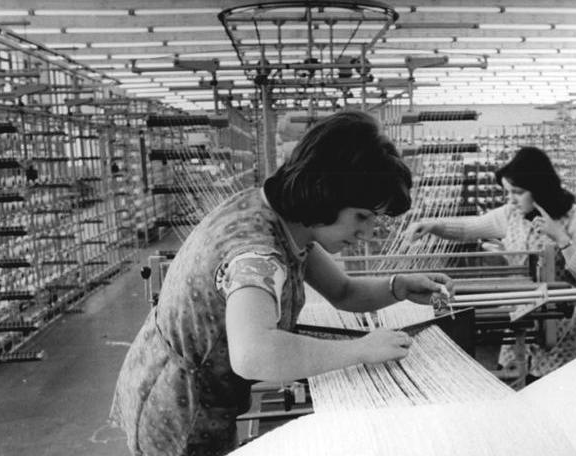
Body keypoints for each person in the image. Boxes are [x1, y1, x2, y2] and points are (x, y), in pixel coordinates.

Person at [110, 110, 453, 456]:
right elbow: (253, 354)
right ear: (326, 193)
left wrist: (398, 287)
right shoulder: (256, 255)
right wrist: (360, 350)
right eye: (361, 217)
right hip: (182, 412)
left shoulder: (284, 220)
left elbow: (342, 291)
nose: (367, 234)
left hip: (186, 386)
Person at [406, 146, 576, 380]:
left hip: (566, 329)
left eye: (518, 192)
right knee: (522, 385)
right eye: (508, 192)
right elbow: (470, 228)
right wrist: (432, 225)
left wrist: (562, 239)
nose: (510, 199)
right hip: (524, 315)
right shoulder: (512, 214)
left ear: (540, 189)